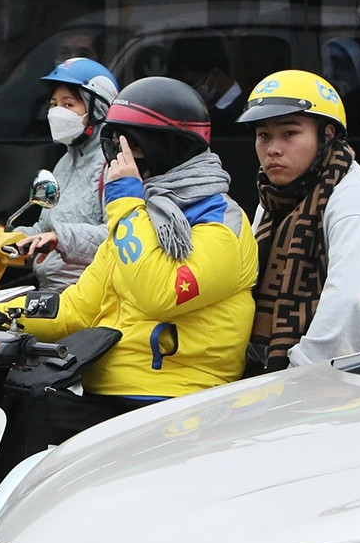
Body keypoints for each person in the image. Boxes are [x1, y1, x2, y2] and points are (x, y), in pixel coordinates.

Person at [14, 76, 258, 406]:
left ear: (170, 147)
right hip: (105, 389)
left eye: (133, 147)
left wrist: (125, 199)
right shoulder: (140, 215)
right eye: (115, 146)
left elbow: (161, 293)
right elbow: (77, 309)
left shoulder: (221, 220)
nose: (120, 159)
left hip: (176, 398)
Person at [238, 70, 360, 371]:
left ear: (327, 135)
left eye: (290, 133)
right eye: (263, 135)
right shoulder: (276, 196)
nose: (273, 148)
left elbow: (347, 308)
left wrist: (294, 379)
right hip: (289, 376)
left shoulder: (355, 202)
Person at [15, 58, 120, 291]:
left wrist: (60, 237)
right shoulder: (65, 161)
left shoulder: (114, 165)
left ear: (98, 109)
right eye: (53, 104)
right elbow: (45, 229)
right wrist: (4, 237)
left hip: (91, 295)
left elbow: (119, 235)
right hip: (49, 289)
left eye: (69, 105)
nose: (57, 113)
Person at [168, 37, 244, 138]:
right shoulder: (193, 111)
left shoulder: (244, 114)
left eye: (190, 83)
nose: (184, 91)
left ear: (215, 75)